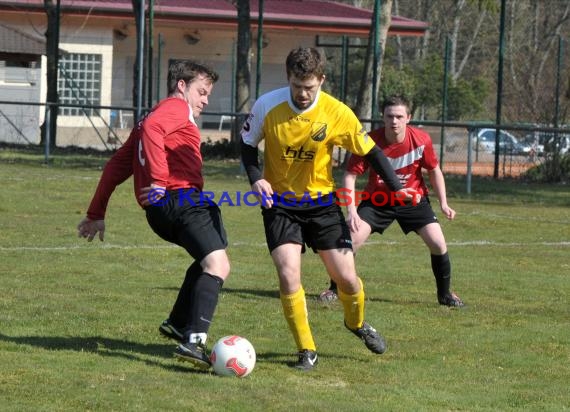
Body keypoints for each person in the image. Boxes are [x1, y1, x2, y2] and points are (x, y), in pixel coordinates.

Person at [240, 47, 414, 371]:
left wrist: (397, 187)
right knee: (289, 274)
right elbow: (247, 145)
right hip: (280, 204)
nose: (303, 94)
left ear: (321, 80)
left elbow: (372, 152)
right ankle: (307, 350)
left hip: (321, 204)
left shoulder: (337, 113)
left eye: (309, 86)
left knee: (347, 279)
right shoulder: (267, 105)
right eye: (296, 85)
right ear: (288, 78)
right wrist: (255, 180)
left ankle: (357, 324)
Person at [77, 61, 230, 369]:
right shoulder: (173, 109)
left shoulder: (152, 115)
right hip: (179, 199)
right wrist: (160, 181)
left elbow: (116, 165)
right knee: (217, 265)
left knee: (208, 258)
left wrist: (96, 212)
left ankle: (178, 323)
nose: (206, 100)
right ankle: (194, 341)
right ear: (182, 86)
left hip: (161, 209)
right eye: (202, 92)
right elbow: (153, 129)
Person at [318, 94, 464, 308]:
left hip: (413, 200)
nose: (394, 121)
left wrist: (443, 202)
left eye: (399, 116)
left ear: (408, 117)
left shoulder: (421, 140)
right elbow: (349, 175)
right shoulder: (367, 141)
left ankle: (445, 295)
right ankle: (335, 289)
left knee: (438, 243)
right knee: (351, 240)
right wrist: (352, 211)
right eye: (389, 116)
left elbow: (434, 170)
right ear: (383, 118)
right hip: (377, 201)